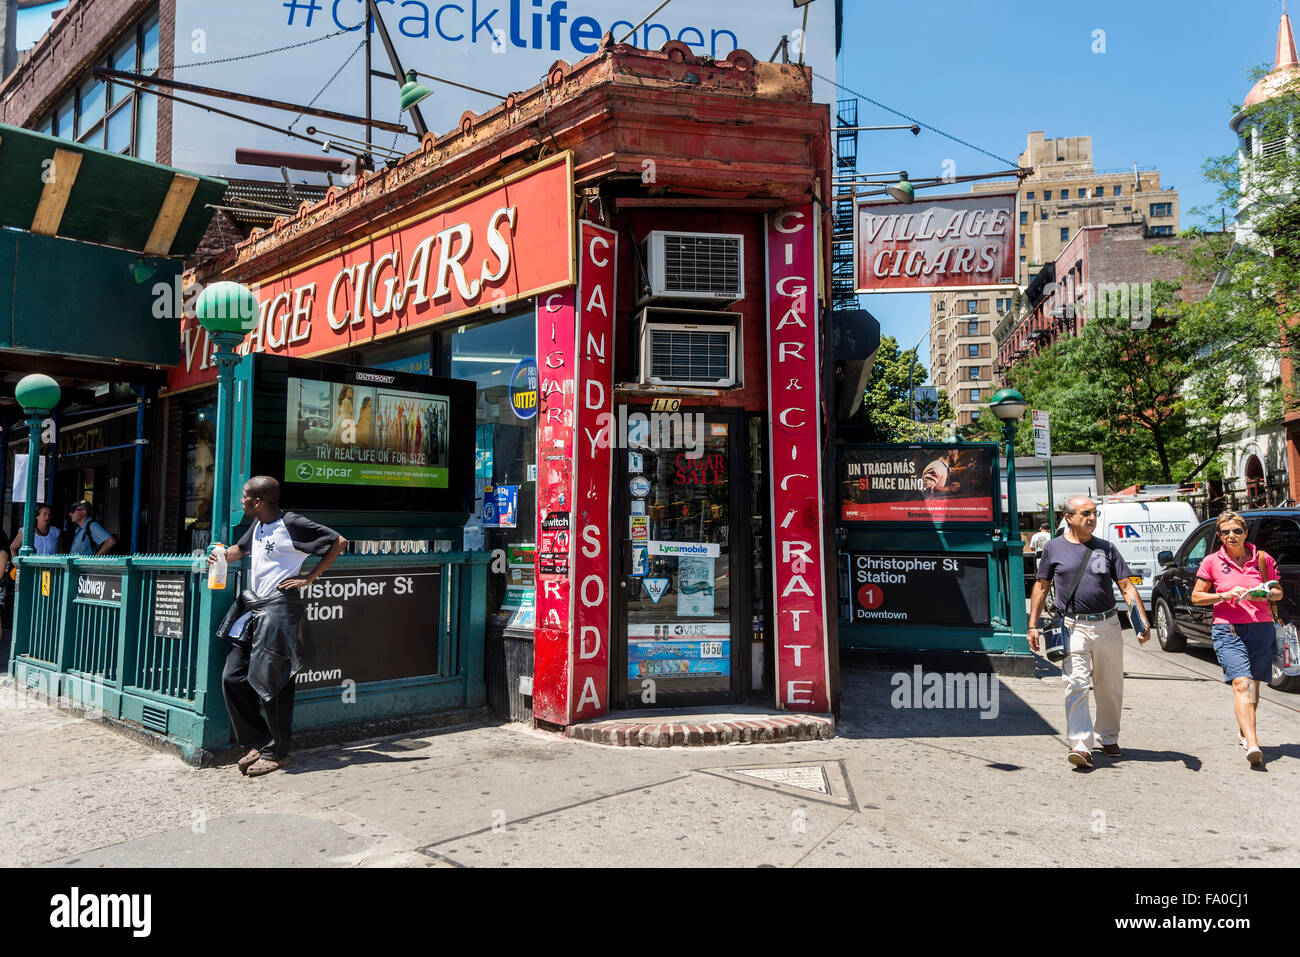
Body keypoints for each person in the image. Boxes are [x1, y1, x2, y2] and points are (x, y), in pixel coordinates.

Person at [209, 475, 346, 777]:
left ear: (258, 501)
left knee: (276, 682)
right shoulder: (258, 525)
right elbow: (241, 550)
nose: (241, 501)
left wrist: (310, 577)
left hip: (280, 610)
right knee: (233, 677)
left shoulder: (293, 523)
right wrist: (221, 556)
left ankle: (279, 752)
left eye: (245, 497)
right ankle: (260, 741)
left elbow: (338, 541)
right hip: (254, 608)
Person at [1028, 495, 1151, 768]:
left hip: (1107, 624)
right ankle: (1081, 745)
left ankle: (1107, 736)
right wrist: (1032, 626)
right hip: (1073, 626)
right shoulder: (1053, 548)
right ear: (1069, 518)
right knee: (1076, 684)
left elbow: (1127, 587)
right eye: (1085, 513)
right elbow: (1041, 586)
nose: (1092, 518)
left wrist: (1141, 621)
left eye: (1094, 513)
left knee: (1109, 686)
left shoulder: (1107, 548)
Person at [1190, 511, 1283, 767]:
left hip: (1261, 627)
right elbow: (1197, 597)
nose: (1231, 535)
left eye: (1236, 531)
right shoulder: (1211, 561)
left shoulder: (1262, 559)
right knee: (1241, 683)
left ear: (1245, 533)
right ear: (1219, 536)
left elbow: (1277, 592)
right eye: (1225, 532)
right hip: (1228, 629)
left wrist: (1262, 594)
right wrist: (1224, 595)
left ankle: (1244, 729)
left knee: (1254, 685)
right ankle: (1253, 743)